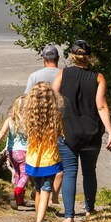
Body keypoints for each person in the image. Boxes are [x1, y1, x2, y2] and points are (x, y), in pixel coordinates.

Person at [52, 39, 111, 222]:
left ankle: (69, 216)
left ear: (72, 56)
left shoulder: (63, 74)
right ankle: (89, 210)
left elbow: (53, 99)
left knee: (70, 172)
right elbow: (101, 106)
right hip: (91, 132)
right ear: (89, 57)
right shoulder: (98, 77)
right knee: (89, 172)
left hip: (67, 132)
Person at [22, 81, 65, 222]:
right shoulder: (55, 115)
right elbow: (61, 134)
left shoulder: (30, 116)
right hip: (49, 159)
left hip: (33, 159)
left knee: (38, 189)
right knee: (47, 190)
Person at [26, 45, 62, 203]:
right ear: (57, 59)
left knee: (38, 157)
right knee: (57, 159)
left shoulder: (34, 76)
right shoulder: (63, 75)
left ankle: (38, 188)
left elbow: (27, 99)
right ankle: (52, 196)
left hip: (38, 124)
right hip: (58, 124)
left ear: (43, 60)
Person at [0, 94, 30, 209]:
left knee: (17, 173)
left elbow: (2, 132)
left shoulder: (10, 120)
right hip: (25, 153)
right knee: (25, 174)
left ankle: (19, 200)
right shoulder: (29, 121)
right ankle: (16, 193)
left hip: (11, 152)